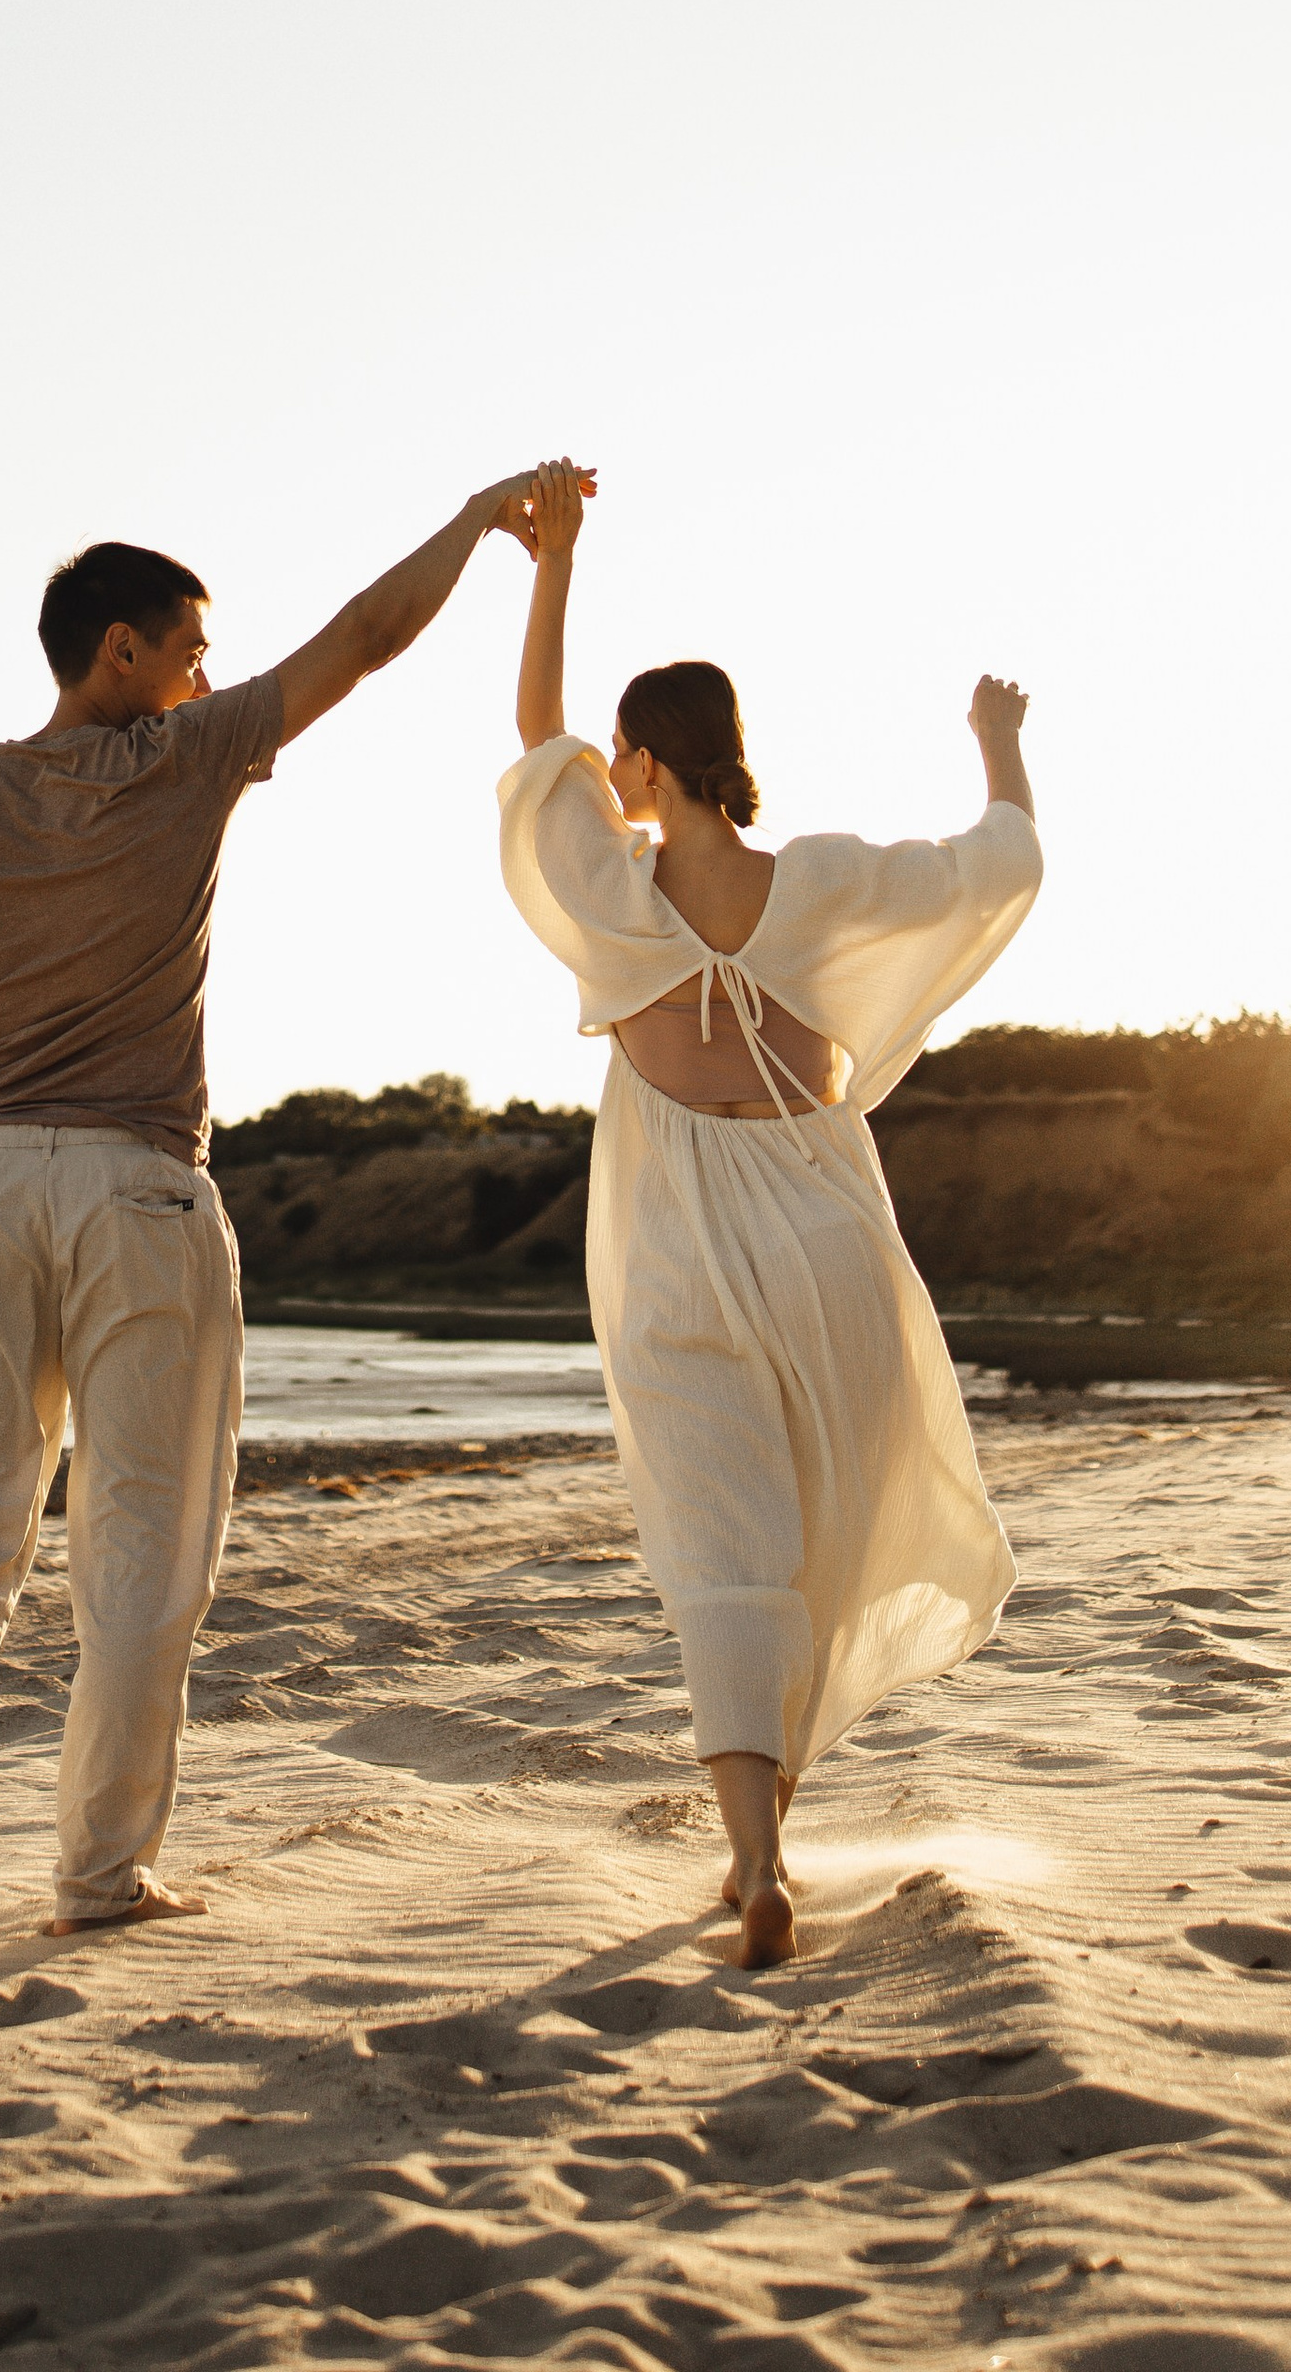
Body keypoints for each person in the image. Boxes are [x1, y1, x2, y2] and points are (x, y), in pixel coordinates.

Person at [0, 473, 574, 1973]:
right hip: (141, 1191)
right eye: (191, 648)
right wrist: (483, 522)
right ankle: (99, 1873)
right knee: (144, 1550)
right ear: (119, 654)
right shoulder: (184, 758)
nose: (211, 675)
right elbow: (366, 636)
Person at [497, 464, 1039, 1967]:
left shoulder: (620, 896)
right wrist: (996, 744)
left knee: (725, 1555)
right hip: (825, 1230)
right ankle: (769, 1832)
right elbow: (1002, 865)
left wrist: (555, 560)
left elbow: (535, 741)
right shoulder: (822, 884)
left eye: (622, 759)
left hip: (687, 1249)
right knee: (820, 1549)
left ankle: (757, 1861)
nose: (604, 775)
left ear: (648, 759)